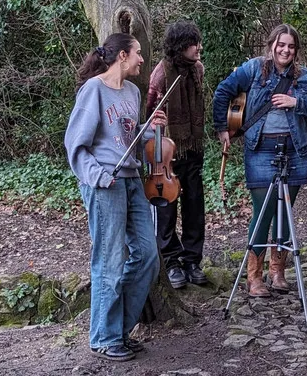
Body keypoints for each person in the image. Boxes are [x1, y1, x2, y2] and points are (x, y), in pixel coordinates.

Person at [64, 33, 166, 362]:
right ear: (122, 55)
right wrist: (97, 177)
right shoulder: (93, 90)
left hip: (132, 178)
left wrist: (150, 128)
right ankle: (104, 337)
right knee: (109, 260)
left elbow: (127, 135)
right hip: (104, 182)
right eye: (137, 54)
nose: (141, 59)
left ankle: (120, 329)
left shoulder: (134, 91)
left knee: (148, 256)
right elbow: (76, 145)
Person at [213, 24, 307, 297]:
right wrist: (222, 128)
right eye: (281, 44)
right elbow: (223, 92)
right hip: (261, 148)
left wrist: (295, 103)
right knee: (263, 211)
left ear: (296, 50)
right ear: (271, 45)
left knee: (285, 211)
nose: (285, 50)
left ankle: (278, 271)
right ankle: (254, 277)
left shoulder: (305, 77)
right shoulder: (252, 69)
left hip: (294, 148)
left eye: (291, 46)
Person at [147, 21, 207, 289]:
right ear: (182, 46)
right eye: (195, 43)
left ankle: (192, 260)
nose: (199, 48)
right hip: (167, 151)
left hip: (192, 146)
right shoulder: (161, 73)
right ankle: (171, 261)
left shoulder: (198, 70)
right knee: (167, 207)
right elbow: (148, 108)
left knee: (195, 204)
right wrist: (155, 120)